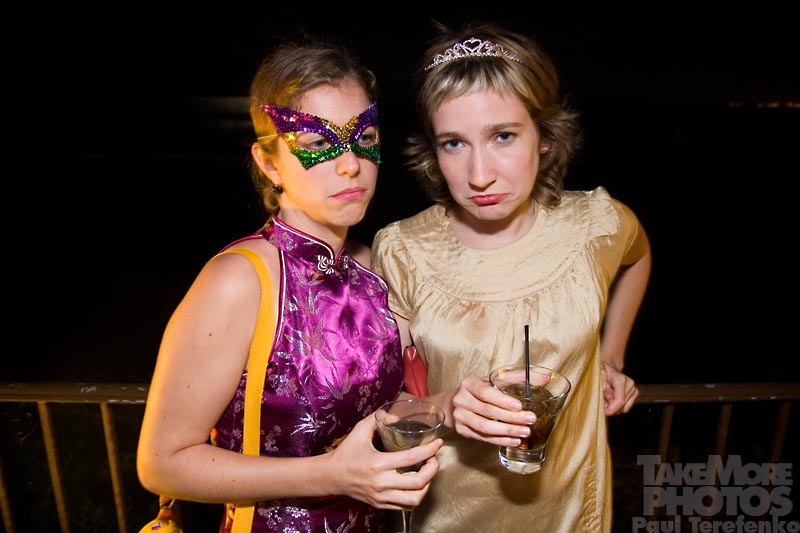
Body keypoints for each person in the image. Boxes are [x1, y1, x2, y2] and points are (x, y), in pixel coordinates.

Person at [137, 35, 443, 533]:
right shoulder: (239, 279)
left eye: (363, 136)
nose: (351, 164)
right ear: (269, 162)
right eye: (319, 143)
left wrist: (454, 405)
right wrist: (330, 475)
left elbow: (382, 408)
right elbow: (161, 463)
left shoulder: (372, 268)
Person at [370, 21, 652, 532]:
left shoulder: (597, 226)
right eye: (454, 143)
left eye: (502, 136)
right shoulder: (403, 251)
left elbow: (638, 257)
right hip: (446, 513)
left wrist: (612, 355)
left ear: (544, 136)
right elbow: (383, 405)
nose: (479, 175)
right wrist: (445, 406)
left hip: (572, 511)